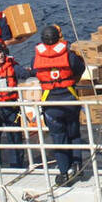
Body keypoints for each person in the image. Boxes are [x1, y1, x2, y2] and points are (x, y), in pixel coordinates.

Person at [33, 24, 86, 186]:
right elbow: (80, 68)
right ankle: (77, 164)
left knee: (58, 138)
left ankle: (64, 172)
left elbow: (35, 73)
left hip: (51, 105)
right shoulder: (69, 56)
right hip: (69, 101)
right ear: (58, 38)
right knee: (74, 134)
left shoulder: (36, 57)